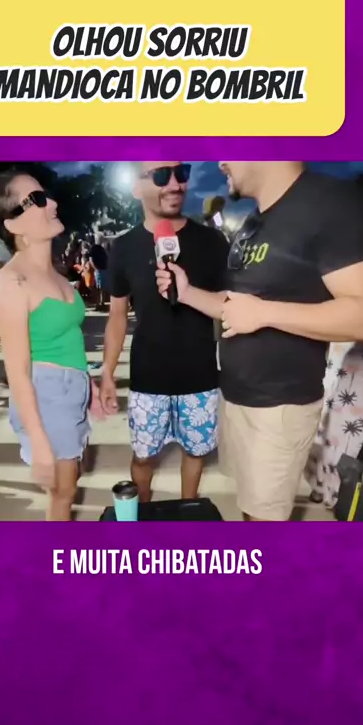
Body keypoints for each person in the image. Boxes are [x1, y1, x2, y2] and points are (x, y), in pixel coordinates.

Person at [156, 162, 363, 521]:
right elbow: (237, 306)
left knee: (264, 522)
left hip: (279, 407)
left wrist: (265, 313)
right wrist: (187, 293)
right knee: (250, 510)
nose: (220, 162)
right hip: (237, 398)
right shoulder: (255, 220)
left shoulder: (333, 204)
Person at [101, 161, 229, 503]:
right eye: (161, 176)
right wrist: (107, 373)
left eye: (181, 173)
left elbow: (229, 304)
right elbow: (117, 315)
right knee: (143, 457)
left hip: (200, 374)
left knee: (196, 452)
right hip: (148, 376)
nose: (175, 184)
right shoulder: (124, 247)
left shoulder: (212, 241)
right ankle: (143, 514)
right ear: (136, 187)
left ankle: (187, 510)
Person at [0, 169, 103, 522]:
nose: (51, 203)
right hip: (45, 394)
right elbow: (16, 370)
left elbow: (65, 336)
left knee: (69, 484)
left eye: (45, 195)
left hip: (69, 389)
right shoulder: (11, 281)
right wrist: (37, 439)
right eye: (36, 200)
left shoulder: (54, 272)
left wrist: (88, 384)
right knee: (63, 495)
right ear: (12, 224)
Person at [307, 171, 363, 507]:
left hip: (360, 363)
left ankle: (337, 493)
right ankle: (341, 495)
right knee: (352, 442)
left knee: (349, 439)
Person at [90, 232, 109, 309]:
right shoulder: (94, 248)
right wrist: (96, 269)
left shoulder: (102, 248)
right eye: (102, 238)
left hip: (104, 269)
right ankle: (98, 304)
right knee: (99, 288)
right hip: (99, 270)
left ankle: (102, 303)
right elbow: (91, 259)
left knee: (103, 288)